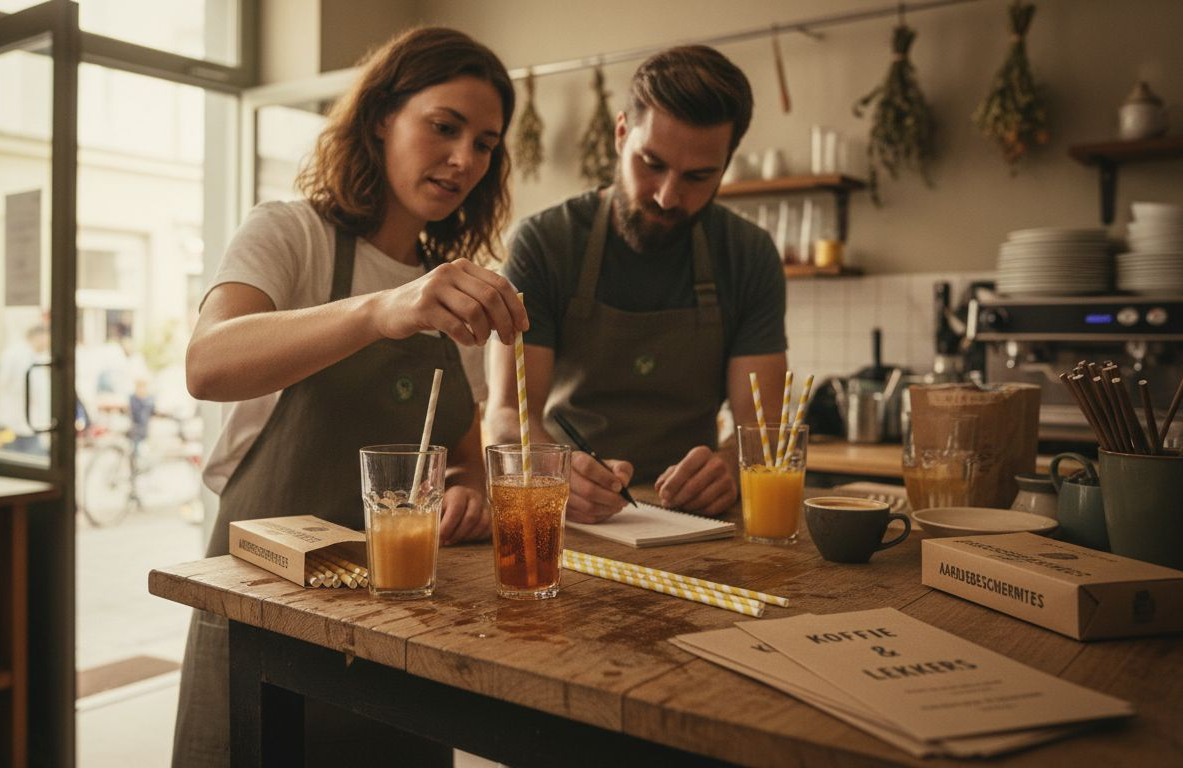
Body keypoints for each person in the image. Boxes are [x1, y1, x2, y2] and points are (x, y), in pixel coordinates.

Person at [173, 27, 524, 768]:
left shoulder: (455, 292)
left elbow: (462, 459)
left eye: (486, 143)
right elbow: (207, 364)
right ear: (379, 120)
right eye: (444, 126)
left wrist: (467, 490)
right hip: (265, 613)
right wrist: (378, 310)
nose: (465, 159)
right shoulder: (289, 235)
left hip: (402, 629)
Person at [485, 46, 788, 524]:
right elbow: (505, 416)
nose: (669, 195)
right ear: (621, 132)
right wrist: (553, 472)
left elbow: (763, 429)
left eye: (698, 176)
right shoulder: (544, 243)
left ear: (726, 165)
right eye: (652, 163)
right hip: (566, 518)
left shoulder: (748, 254)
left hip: (695, 522)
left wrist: (730, 466)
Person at [0, 323, 50, 455]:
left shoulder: (33, 356)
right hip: (13, 424)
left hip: (27, 425)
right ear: (39, 336)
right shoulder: (16, 355)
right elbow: (2, 386)